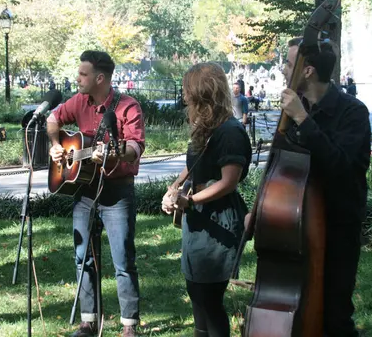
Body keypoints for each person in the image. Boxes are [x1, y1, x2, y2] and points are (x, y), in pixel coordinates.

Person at [249, 37, 371, 336]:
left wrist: (302, 119)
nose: (284, 69)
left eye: (289, 64)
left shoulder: (352, 112)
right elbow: (279, 167)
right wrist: (257, 210)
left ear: (307, 71)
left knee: (334, 315)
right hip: (296, 227)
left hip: (337, 228)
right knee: (296, 307)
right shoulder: (297, 109)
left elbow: (342, 167)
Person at [47, 50, 145, 337]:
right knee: (82, 257)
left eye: (83, 74)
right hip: (85, 191)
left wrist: (115, 155)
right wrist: (56, 145)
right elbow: (53, 119)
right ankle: (88, 321)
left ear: (99, 78)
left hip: (117, 193)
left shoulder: (128, 107)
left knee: (123, 260)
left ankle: (129, 326)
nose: (78, 78)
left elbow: (135, 147)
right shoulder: (79, 101)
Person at [161, 63, 251, 337]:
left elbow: (229, 181)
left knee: (209, 298)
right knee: (196, 293)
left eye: (188, 90)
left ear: (203, 92)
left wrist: (191, 200)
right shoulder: (206, 128)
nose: (184, 96)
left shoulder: (231, 131)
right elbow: (193, 165)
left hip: (219, 221)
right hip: (198, 219)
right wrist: (174, 188)